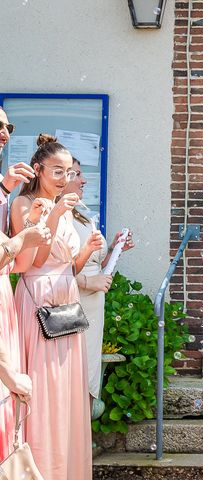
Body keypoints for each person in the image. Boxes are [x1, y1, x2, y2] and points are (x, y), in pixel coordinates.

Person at [10, 133, 104, 480]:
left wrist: (87, 251)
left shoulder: (66, 210)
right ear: (38, 170)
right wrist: (51, 216)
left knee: (67, 393)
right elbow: (34, 261)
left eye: (69, 172)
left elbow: (69, 268)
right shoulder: (24, 205)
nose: (65, 180)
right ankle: (41, 469)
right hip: (38, 300)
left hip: (66, 301)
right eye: (57, 172)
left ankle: (67, 469)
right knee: (44, 389)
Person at [62, 157, 134, 417]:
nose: (84, 180)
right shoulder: (58, 216)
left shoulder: (81, 215)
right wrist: (85, 282)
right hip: (73, 303)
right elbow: (54, 267)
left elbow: (95, 264)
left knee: (88, 378)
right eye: (78, 174)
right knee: (70, 377)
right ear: (62, 177)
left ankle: (79, 446)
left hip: (94, 307)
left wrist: (114, 249)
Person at [0, 108, 53, 460]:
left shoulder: (6, 191)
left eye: (8, 126)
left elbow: (13, 263)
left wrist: (28, 230)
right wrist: (25, 238)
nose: (5, 132)